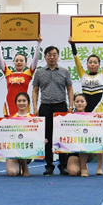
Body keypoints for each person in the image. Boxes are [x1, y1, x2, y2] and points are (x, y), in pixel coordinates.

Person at [69, 35, 103, 175]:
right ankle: (84, 167)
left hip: (99, 112)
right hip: (85, 113)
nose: (93, 64)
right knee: (83, 140)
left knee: (100, 140)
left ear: (99, 65)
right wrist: (73, 44)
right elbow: (77, 60)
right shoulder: (83, 75)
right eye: (90, 62)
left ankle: (100, 167)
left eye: (95, 62)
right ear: (87, 64)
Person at [32, 45, 74, 176]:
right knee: (47, 137)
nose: (52, 57)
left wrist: (71, 106)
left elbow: (70, 89)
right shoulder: (39, 72)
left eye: (54, 54)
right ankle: (49, 166)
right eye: (49, 55)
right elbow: (35, 90)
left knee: (62, 137)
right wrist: (35, 107)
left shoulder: (64, 71)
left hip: (61, 106)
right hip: (45, 107)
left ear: (58, 56)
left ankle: (63, 165)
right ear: (45, 57)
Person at [0, 34, 42, 116]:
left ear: (25, 63)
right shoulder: (8, 73)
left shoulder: (28, 74)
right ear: (14, 62)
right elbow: (0, 60)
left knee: (23, 121)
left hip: (23, 103)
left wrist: (38, 43)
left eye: (21, 61)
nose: (19, 62)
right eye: (16, 60)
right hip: (10, 102)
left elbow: (35, 60)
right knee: (9, 122)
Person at [6, 92, 40, 177]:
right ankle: (19, 165)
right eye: (19, 101)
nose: (21, 103)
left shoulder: (34, 118)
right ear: (16, 103)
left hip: (28, 151)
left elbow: (38, 135)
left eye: (24, 101)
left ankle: (24, 166)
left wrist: (42, 140)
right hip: (13, 152)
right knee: (12, 172)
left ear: (28, 102)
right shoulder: (10, 118)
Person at [65, 94, 98, 177]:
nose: (79, 103)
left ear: (86, 103)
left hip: (88, 151)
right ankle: (80, 164)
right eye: (77, 101)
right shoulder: (68, 118)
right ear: (74, 103)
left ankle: (86, 167)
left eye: (82, 101)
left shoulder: (92, 118)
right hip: (74, 152)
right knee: (73, 172)